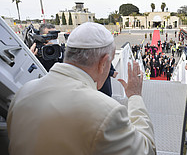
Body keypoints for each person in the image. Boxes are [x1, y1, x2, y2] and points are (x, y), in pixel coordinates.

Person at [7, 22, 156, 155]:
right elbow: (147, 150)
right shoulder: (108, 112)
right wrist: (135, 96)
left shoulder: (22, 93)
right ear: (103, 63)